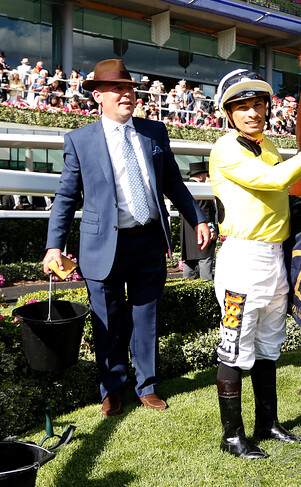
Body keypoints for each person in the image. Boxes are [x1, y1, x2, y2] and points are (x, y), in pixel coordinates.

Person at [43, 58, 210, 417]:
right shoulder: (79, 140)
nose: (126, 95)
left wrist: (196, 217)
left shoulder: (155, 132)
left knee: (146, 317)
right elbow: (66, 198)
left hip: (148, 240)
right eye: (117, 89)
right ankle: (112, 389)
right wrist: (54, 245)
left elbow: (172, 183)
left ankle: (147, 386)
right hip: (102, 245)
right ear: (98, 96)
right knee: (108, 321)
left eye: (130, 88)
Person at [209, 69, 301, 459]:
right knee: (235, 347)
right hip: (243, 258)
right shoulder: (225, 148)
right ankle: (232, 436)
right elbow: (272, 181)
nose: (253, 112)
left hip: (274, 256)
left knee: (270, 345)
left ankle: (266, 423)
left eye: (258, 105)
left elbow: (273, 193)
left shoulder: (267, 144)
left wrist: (296, 204)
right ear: (228, 112)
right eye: (242, 106)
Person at [181, 161, 217, 280]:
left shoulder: (183, 188)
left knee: (189, 268)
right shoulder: (201, 190)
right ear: (201, 175)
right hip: (202, 234)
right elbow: (207, 213)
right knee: (206, 267)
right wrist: (212, 229)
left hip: (187, 236)